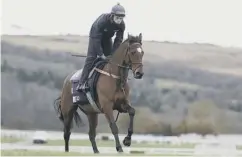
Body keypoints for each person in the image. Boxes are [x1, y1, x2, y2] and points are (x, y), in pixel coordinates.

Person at [76, 3, 126, 93]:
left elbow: (118, 40)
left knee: (110, 59)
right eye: (117, 18)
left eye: (121, 18)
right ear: (112, 16)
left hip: (107, 38)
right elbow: (96, 40)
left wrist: (113, 54)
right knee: (91, 58)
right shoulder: (102, 22)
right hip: (95, 37)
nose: (119, 20)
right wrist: (101, 54)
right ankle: (82, 83)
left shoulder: (122, 25)